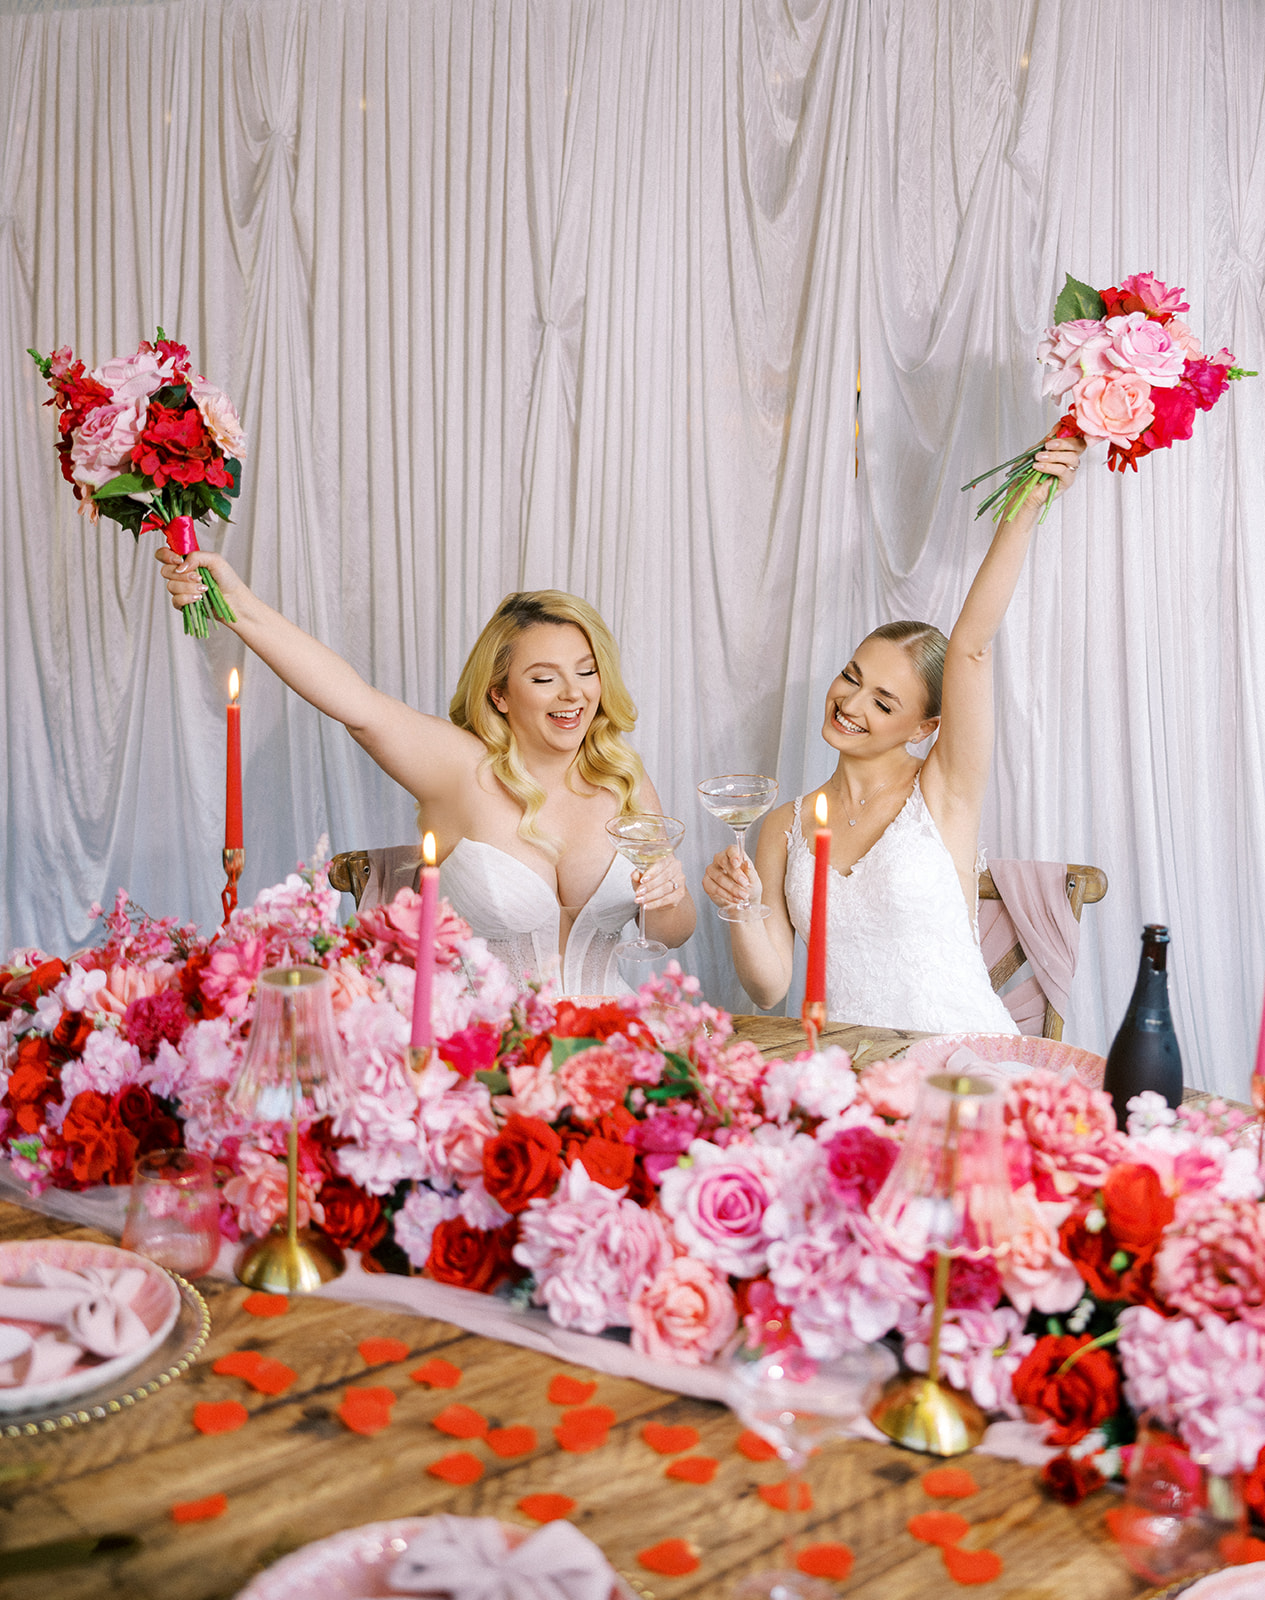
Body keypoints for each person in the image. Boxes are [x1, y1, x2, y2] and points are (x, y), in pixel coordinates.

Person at [157, 552, 695, 993]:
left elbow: (671, 933)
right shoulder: (464, 770)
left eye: (586, 671)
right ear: (500, 694)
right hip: (483, 1047)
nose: (573, 693)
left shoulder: (623, 777)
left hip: (614, 1039)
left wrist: (670, 896)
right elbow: (357, 705)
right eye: (544, 678)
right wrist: (238, 606)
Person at [702, 437, 1085, 1033]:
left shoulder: (944, 791)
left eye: (883, 702)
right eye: (850, 677)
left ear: (926, 727)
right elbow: (770, 985)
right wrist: (742, 909)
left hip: (961, 1065)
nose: (850, 704)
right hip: (848, 1073)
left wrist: (1028, 505)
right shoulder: (781, 825)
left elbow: (973, 648)